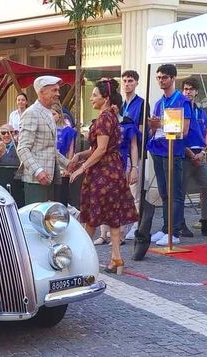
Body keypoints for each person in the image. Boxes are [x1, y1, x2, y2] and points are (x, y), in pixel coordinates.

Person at [69, 79, 138, 274]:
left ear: (105, 98)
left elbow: (100, 150)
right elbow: (99, 149)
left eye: (95, 95)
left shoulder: (104, 118)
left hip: (103, 172)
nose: (91, 98)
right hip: (113, 169)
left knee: (92, 216)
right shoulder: (111, 116)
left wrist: (82, 168)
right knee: (112, 215)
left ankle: (80, 258)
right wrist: (80, 156)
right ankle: (116, 258)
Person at [148, 64, 192, 246]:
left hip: (173, 151)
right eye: (158, 77)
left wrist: (161, 125)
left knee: (174, 192)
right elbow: (153, 127)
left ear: (173, 78)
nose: (161, 81)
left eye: (164, 77)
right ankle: (166, 228)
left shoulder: (182, 101)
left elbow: (185, 129)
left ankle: (174, 231)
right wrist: (152, 125)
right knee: (164, 192)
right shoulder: (159, 102)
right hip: (158, 150)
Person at [17, 76, 73, 204]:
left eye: (58, 90)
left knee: (48, 221)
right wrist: (38, 171)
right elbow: (23, 148)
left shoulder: (48, 112)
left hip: (49, 178)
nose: (58, 94)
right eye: (54, 90)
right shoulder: (31, 113)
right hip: (36, 181)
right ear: (42, 92)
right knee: (36, 220)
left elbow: (49, 149)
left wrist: (68, 163)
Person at [180, 77, 207, 236]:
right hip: (184, 154)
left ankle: (206, 221)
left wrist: (201, 153)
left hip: (199, 155)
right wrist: (189, 153)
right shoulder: (179, 110)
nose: (188, 92)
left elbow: (205, 138)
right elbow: (178, 135)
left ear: (196, 92)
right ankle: (179, 224)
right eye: (186, 89)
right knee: (179, 191)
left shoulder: (201, 113)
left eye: (191, 89)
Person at [119, 70, 146, 240]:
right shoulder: (121, 105)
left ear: (136, 83)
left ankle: (136, 224)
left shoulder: (142, 103)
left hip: (136, 150)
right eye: (125, 81)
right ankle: (123, 223)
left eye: (130, 81)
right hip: (122, 152)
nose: (127, 84)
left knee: (135, 190)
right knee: (123, 190)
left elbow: (142, 129)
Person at [51, 102, 76, 207]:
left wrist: (68, 167)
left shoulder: (68, 130)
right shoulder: (47, 128)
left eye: (53, 114)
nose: (51, 117)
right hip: (50, 164)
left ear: (59, 115)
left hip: (62, 164)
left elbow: (70, 150)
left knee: (61, 196)